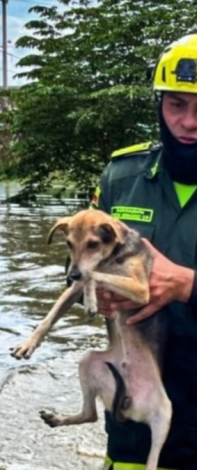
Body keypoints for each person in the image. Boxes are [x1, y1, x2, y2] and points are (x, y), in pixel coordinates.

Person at [91, 33, 197, 468]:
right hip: (133, 421)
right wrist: (93, 291)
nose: (190, 122)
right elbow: (78, 266)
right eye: (177, 104)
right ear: (159, 106)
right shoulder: (121, 177)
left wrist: (189, 285)